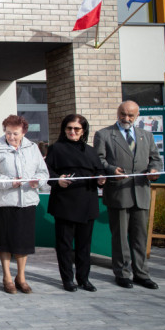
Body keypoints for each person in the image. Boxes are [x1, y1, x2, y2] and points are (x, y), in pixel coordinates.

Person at [94, 100, 162, 290]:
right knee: (120, 238)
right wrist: (109, 168)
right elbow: (98, 159)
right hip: (118, 193)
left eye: (131, 115)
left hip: (141, 192)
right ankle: (122, 274)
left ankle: (142, 274)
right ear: (118, 113)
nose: (126, 118)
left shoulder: (146, 136)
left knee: (139, 237)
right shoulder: (104, 134)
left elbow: (155, 159)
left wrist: (154, 170)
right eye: (123, 114)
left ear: (137, 116)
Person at [46, 114, 106, 292]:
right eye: (69, 128)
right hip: (65, 202)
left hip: (87, 202)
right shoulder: (56, 149)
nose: (72, 132)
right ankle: (67, 279)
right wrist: (57, 180)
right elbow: (46, 171)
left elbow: (100, 171)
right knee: (64, 245)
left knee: (84, 245)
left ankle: (84, 278)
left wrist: (102, 179)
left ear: (83, 131)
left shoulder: (90, 151)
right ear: (64, 130)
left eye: (76, 129)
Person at [0, 115, 49, 294]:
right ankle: (7, 276)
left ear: (23, 132)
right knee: (5, 242)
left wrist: (37, 181)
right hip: (5, 202)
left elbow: (43, 172)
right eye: (8, 133)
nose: (11, 137)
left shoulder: (32, 148)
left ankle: (21, 276)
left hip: (27, 202)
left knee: (23, 242)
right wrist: (10, 182)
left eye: (15, 133)